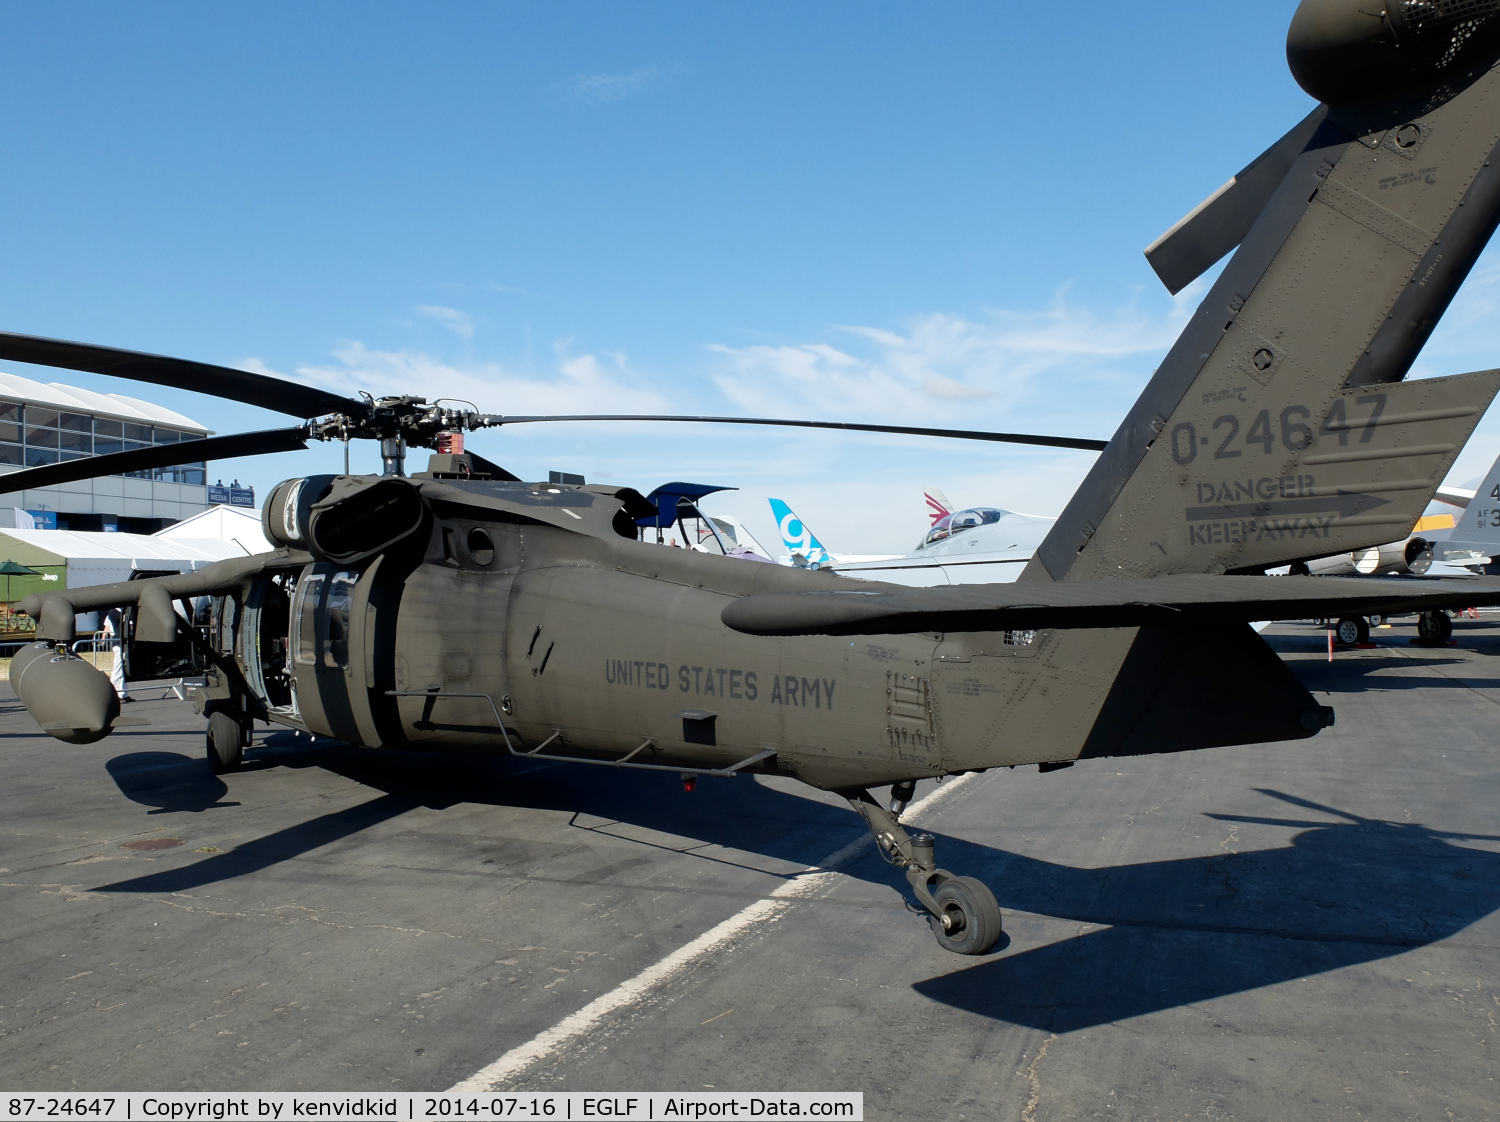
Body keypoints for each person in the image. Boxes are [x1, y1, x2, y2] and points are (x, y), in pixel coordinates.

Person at [101, 607, 130, 702]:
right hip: (118, 642)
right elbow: (110, 625)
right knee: (118, 668)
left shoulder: (123, 611)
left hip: (124, 643)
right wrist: (103, 638)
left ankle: (122, 693)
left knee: (123, 669)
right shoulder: (114, 612)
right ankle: (112, 692)